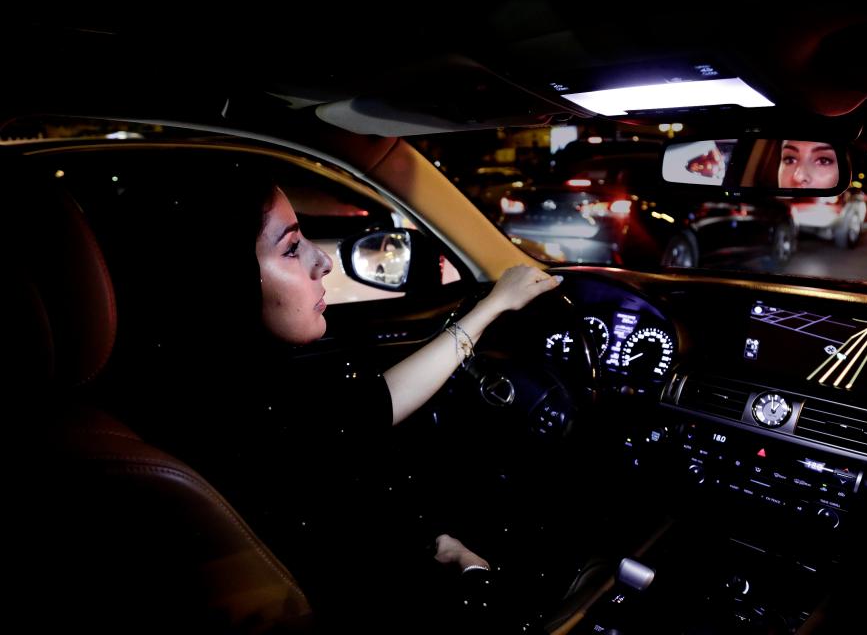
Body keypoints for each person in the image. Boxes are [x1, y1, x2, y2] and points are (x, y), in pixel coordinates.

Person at [138, 171, 562, 632]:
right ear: (223, 277)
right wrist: (472, 576)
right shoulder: (247, 422)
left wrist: (490, 307)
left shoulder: (217, 389)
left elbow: (365, 409)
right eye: (291, 247)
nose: (324, 262)